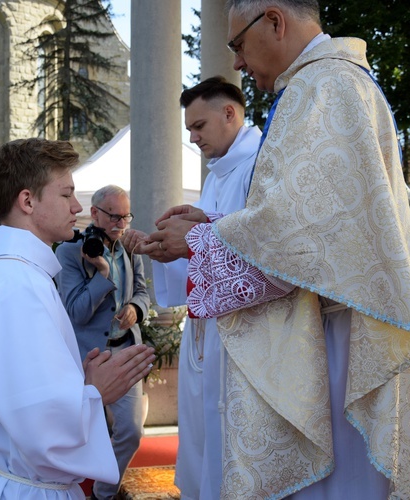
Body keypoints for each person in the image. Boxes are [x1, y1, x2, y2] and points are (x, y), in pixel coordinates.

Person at [142, 1, 410, 497]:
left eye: (238, 45)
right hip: (336, 315)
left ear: (275, 21)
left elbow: (298, 240)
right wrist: (216, 225)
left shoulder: (323, 86)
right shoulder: (332, 83)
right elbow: (317, 226)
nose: (237, 63)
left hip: (335, 337)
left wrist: (199, 240)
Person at [0, 138, 155, 499]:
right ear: (27, 201)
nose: (78, 206)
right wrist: (94, 393)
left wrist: (82, 384)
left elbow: (25, 395)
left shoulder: (18, 275)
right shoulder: (17, 286)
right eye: (66, 194)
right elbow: (37, 425)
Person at [124, 76, 261, 500]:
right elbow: (213, 248)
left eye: (198, 126)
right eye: (188, 129)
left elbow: (264, 250)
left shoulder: (261, 164)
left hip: (248, 332)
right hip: (209, 330)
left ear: (229, 113)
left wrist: (194, 242)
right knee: (204, 439)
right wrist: (168, 249)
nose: (193, 137)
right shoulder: (218, 173)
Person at [55, 184, 150, 500]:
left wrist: (136, 309)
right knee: (81, 434)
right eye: (114, 216)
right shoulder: (69, 252)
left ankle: (104, 493)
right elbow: (77, 312)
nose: (122, 224)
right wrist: (103, 274)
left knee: (132, 431)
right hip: (89, 358)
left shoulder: (130, 248)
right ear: (94, 213)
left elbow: (141, 292)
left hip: (125, 350)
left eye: (126, 217)